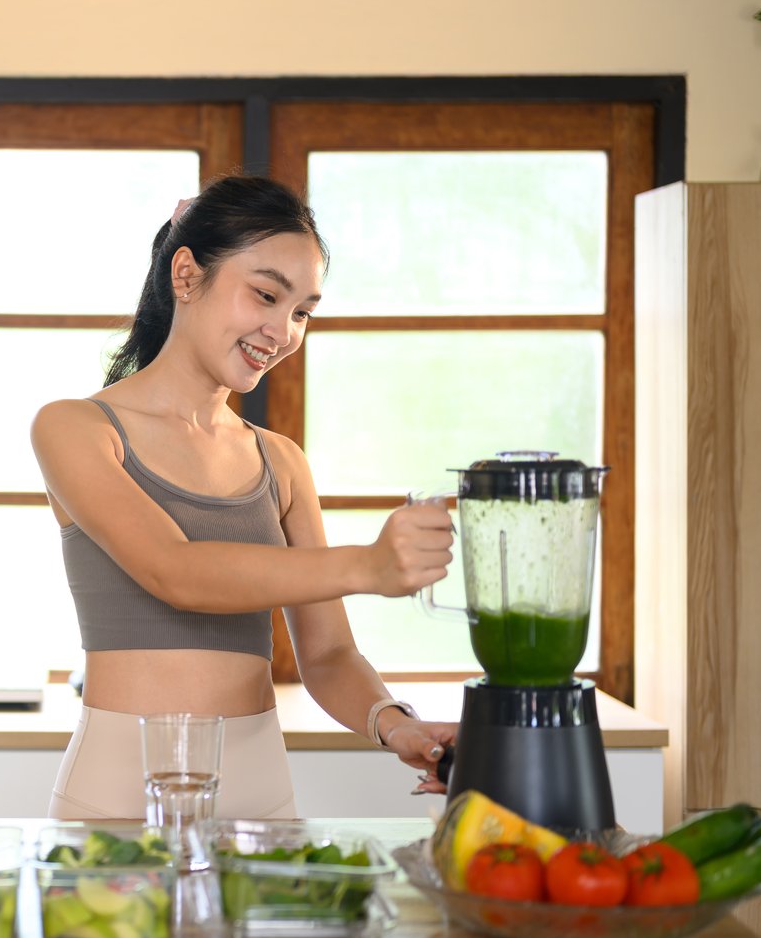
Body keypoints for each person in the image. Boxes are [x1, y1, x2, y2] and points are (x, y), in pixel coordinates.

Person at [31, 174, 457, 820]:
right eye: (266, 294)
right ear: (185, 275)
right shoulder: (76, 428)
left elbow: (329, 653)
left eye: (303, 311)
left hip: (260, 791)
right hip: (117, 787)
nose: (283, 330)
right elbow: (175, 572)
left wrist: (397, 725)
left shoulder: (280, 462)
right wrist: (369, 565)